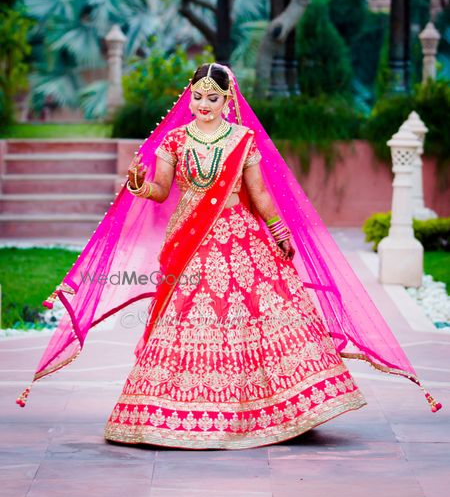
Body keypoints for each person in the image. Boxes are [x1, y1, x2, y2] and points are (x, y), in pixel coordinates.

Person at [16, 62, 442, 450]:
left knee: (260, 316)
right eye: (197, 96)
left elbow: (259, 194)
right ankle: (168, 412)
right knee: (189, 320)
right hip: (190, 242)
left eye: (212, 97)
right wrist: (138, 184)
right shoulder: (175, 139)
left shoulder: (243, 140)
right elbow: (161, 191)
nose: (202, 104)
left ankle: (280, 409)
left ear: (227, 100)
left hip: (241, 241)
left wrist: (277, 230)